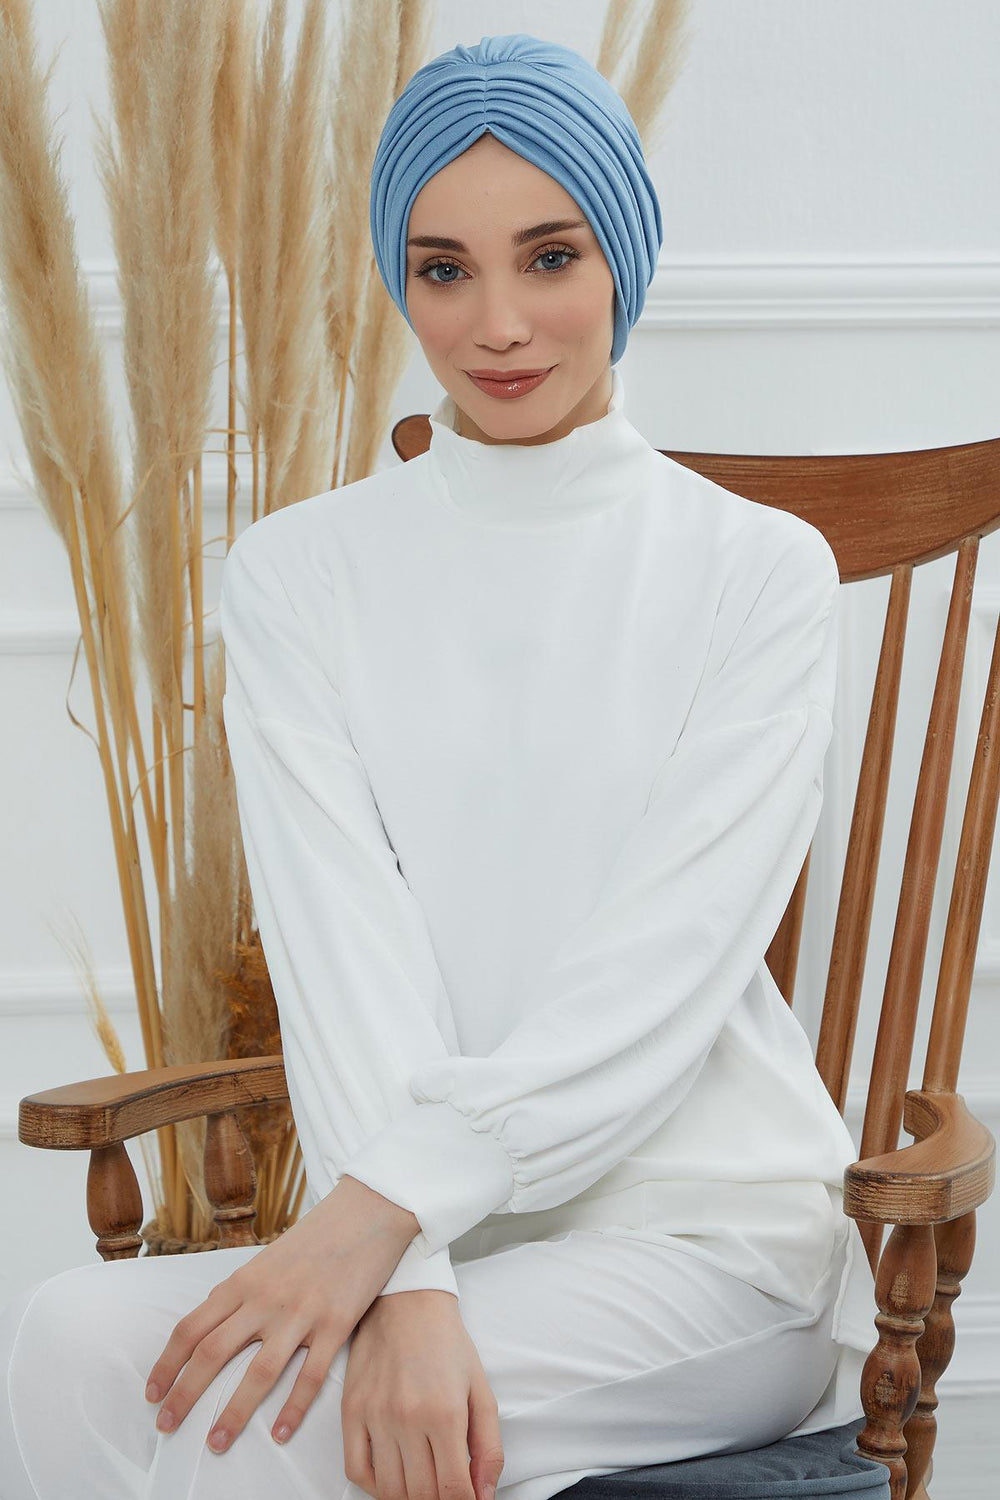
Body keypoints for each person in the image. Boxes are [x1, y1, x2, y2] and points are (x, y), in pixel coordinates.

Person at [0, 32, 878, 1500]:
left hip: (708, 1243)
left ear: (624, 261)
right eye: (445, 268)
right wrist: (405, 1268)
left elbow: (658, 977)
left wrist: (381, 1225)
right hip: (424, 1228)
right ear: (398, 280)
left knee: (248, 1442)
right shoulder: (299, 574)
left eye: (551, 256)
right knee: (67, 1339)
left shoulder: (758, 571)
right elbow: (341, 954)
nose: (499, 323)